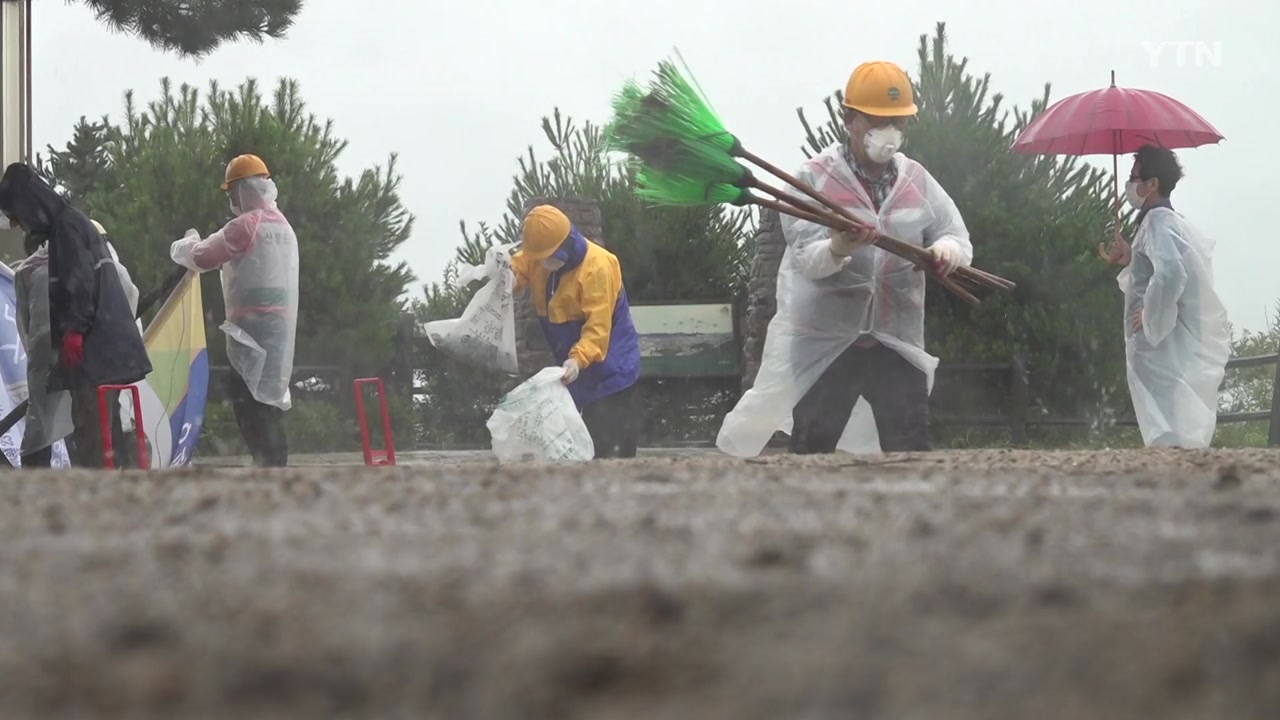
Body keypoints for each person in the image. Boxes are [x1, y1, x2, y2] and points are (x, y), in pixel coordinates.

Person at [717, 60, 971, 457]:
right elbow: (809, 262)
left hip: (895, 342)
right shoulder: (813, 178)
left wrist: (948, 252)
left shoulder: (917, 180)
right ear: (849, 119)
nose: (890, 133)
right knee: (813, 450)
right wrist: (838, 246)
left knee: (911, 452)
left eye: (899, 122)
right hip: (825, 344)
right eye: (877, 120)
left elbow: (955, 235)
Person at [0, 163, 152, 468]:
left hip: (96, 354)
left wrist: (73, 332)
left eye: (17, 217)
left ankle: (95, 505)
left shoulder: (65, 229)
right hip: (108, 352)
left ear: (30, 205)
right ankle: (116, 498)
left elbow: (78, 281)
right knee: (99, 431)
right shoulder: (74, 224)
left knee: (91, 436)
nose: (19, 226)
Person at [170, 154, 298, 467]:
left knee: (249, 406)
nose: (231, 200)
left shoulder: (246, 225)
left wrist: (187, 243)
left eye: (232, 193)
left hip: (251, 330)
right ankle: (276, 465)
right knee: (269, 403)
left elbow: (201, 257)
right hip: (278, 329)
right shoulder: (282, 225)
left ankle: (269, 467)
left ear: (243, 189)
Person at [1111, 144, 1228, 448]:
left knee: (1163, 416)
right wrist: (1130, 257)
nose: (1131, 185)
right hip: (1159, 342)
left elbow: (1172, 274)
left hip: (1156, 344)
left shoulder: (1157, 222)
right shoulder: (1166, 221)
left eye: (1136, 177)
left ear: (1152, 184)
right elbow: (1158, 268)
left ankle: (1172, 470)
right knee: (1166, 412)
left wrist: (1149, 317)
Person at [511, 204, 642, 458]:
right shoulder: (541, 254)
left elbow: (598, 327)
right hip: (578, 365)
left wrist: (577, 359)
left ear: (562, 247)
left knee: (611, 454)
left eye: (543, 257)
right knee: (585, 451)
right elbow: (522, 265)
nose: (538, 262)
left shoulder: (598, 267)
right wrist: (506, 279)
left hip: (611, 369)